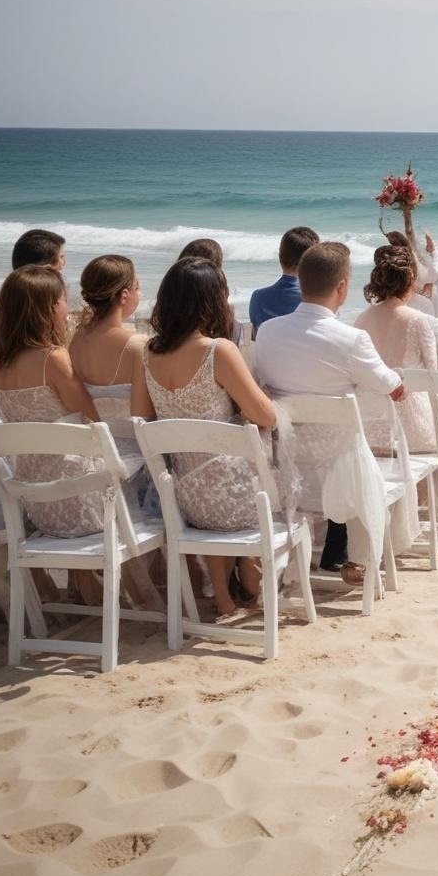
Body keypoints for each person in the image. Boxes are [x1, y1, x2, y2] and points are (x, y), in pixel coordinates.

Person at [131, 257, 277, 619]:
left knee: (211, 470)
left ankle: (225, 599)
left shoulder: (148, 353)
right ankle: (253, 587)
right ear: (212, 301)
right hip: (234, 497)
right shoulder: (218, 351)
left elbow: (140, 418)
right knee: (250, 466)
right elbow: (267, 416)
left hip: (185, 498)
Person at [254, 242, 404, 583]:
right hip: (344, 476)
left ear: (301, 281)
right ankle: (360, 560)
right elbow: (388, 384)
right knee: (364, 460)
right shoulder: (352, 339)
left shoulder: (267, 332)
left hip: (291, 472)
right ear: (342, 287)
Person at [0, 265, 106, 539]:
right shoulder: (52, 358)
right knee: (143, 476)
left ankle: (86, 583)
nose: (67, 308)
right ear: (51, 307)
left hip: (34, 491)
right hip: (73, 488)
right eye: (64, 301)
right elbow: (91, 420)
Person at [355, 245, 438, 452]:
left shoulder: (361, 319)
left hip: (371, 426)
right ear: (410, 281)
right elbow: (432, 376)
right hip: (412, 429)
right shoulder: (417, 319)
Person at [67, 255, 144, 421]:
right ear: (124, 296)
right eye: (137, 288)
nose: (140, 293)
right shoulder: (137, 345)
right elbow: (142, 414)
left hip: (88, 438)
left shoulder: (73, 338)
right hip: (128, 441)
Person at [249, 226, 319, 334]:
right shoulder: (319, 299)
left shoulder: (258, 298)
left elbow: (257, 336)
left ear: (280, 257)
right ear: (313, 262)